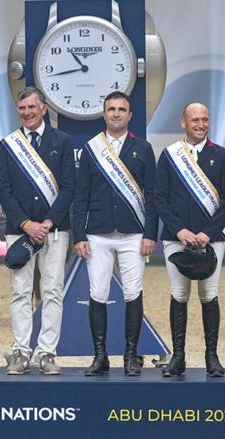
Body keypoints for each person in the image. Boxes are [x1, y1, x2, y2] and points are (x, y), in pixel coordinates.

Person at [72, 91, 158, 377]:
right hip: (97, 233)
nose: (117, 114)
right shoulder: (91, 148)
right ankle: (100, 356)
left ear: (130, 115)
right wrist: (79, 235)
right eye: (111, 109)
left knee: (133, 292)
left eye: (122, 109)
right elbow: (80, 195)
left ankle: (131, 355)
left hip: (134, 232)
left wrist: (150, 234)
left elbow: (153, 196)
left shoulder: (143, 148)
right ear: (104, 113)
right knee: (98, 293)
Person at [155, 102, 225, 378]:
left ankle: (211, 356)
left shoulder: (223, 157)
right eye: (195, 120)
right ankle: (178, 357)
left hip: (210, 240)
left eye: (205, 119)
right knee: (179, 295)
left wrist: (207, 233)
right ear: (183, 123)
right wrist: (180, 231)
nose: (201, 124)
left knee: (208, 294)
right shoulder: (169, 156)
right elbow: (160, 199)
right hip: (176, 239)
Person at [0, 87, 75, 375]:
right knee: (20, 292)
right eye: (22, 109)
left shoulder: (62, 141)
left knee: (52, 291)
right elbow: (4, 191)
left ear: (43, 108)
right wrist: (27, 224)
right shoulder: (8, 145)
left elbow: (69, 187)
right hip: (20, 231)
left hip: (54, 231)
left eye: (32, 107)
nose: (27, 113)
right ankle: (20, 351)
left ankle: (46, 352)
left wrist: (48, 222)